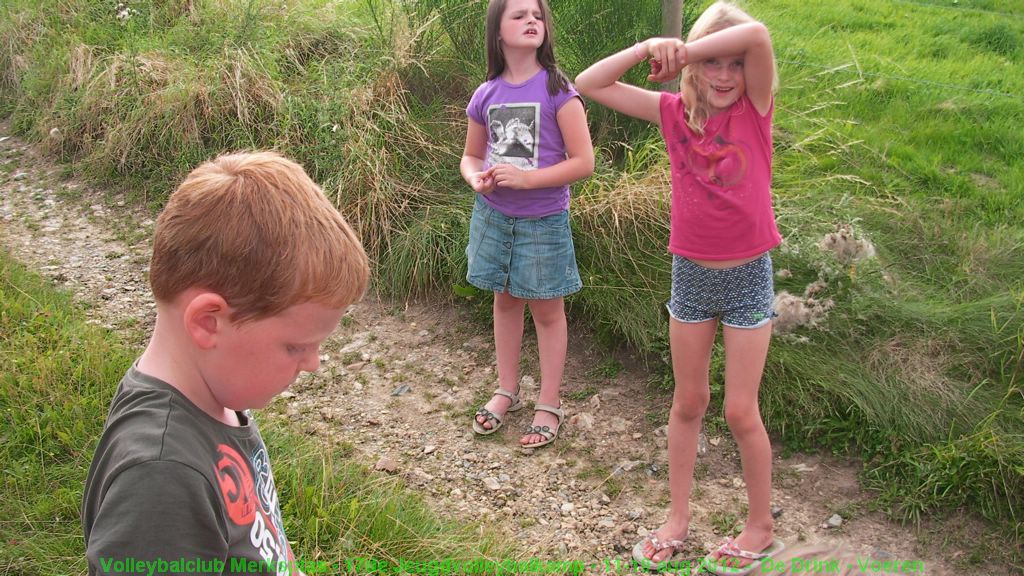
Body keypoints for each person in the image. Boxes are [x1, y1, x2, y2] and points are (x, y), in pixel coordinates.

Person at [81, 152, 370, 575]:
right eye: (295, 346)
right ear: (208, 322)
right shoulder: (162, 478)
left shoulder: (214, 393)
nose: (313, 363)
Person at [576, 2, 784, 573]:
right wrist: (652, 49)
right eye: (709, 63)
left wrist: (689, 50)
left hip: (748, 276)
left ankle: (760, 525)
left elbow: (760, 33)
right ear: (691, 70)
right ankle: (677, 518)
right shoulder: (673, 113)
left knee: (742, 411)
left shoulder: (756, 110)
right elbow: (591, 83)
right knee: (688, 401)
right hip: (689, 273)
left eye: (733, 64)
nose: (722, 75)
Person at [462, 0, 594, 448]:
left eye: (537, 15)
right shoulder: (486, 94)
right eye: (519, 15)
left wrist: (527, 179)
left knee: (548, 311)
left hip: (543, 221)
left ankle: (549, 403)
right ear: (498, 31)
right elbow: (472, 155)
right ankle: (506, 390)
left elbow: (584, 162)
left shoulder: (558, 89)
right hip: (494, 216)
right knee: (504, 302)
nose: (531, 20)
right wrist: (475, 178)